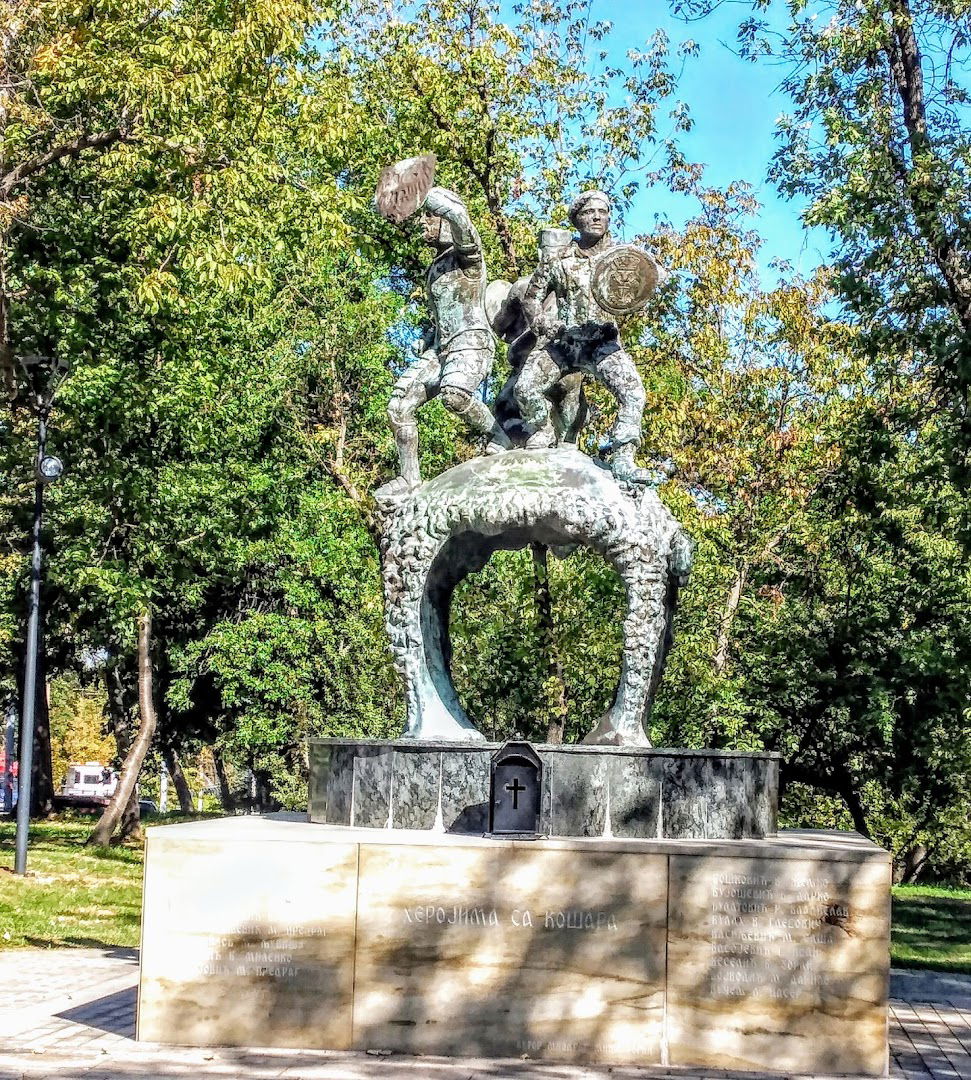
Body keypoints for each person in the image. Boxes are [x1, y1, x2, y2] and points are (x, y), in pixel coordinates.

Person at [516, 190, 650, 484]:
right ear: (577, 219)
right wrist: (542, 323)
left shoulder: (622, 257)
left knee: (633, 394)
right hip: (565, 343)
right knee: (524, 389)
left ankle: (623, 458)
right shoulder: (558, 259)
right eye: (590, 212)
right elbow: (531, 299)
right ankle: (543, 430)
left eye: (602, 212)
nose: (597, 217)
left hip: (603, 343)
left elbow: (645, 283)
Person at [386, 186, 509, 490]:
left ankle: (500, 436)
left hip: (471, 343)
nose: (422, 223)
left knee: (454, 395)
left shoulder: (468, 259)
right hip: (441, 349)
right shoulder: (436, 267)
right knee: (399, 407)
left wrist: (419, 192)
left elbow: (460, 219)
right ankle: (409, 478)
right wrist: (428, 338)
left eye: (428, 217)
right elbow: (446, 313)